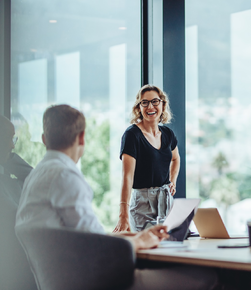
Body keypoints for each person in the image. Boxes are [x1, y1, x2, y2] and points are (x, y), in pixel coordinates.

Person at [16, 105, 219, 290]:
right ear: (81, 138)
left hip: (64, 280)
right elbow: (96, 247)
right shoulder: (65, 176)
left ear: (44, 139)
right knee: (207, 277)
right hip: (98, 281)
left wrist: (137, 237)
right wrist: (139, 242)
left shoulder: (36, 176)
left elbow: (85, 235)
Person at [114, 84, 180, 233]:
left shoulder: (168, 134)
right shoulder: (132, 135)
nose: (150, 106)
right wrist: (123, 214)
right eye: (145, 102)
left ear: (162, 104)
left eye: (155, 101)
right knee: (145, 250)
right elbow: (127, 177)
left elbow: (176, 159)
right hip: (142, 203)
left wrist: (173, 180)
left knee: (168, 248)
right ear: (139, 107)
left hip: (166, 200)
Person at [0, 115, 37, 290]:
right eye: (8, 138)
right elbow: (18, 218)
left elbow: (36, 180)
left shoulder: (8, 180)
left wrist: (9, 158)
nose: (12, 145)